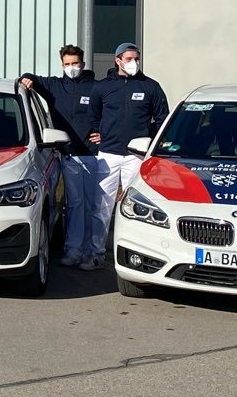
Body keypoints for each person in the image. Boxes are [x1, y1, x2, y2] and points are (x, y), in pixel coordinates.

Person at [19, 44, 103, 269]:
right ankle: (73, 249)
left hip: (93, 155)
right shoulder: (55, 86)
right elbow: (31, 78)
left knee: (93, 205)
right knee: (74, 204)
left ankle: (93, 251)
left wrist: (103, 134)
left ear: (82, 63)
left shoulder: (96, 87)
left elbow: (110, 113)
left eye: (75, 63)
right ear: (62, 64)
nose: (71, 67)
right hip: (68, 155)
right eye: (67, 64)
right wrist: (26, 78)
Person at [92, 42, 169, 271]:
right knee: (101, 205)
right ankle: (96, 252)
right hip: (108, 154)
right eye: (129, 59)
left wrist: (150, 142)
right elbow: (93, 115)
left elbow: (162, 117)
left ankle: (134, 253)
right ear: (118, 60)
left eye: (136, 58)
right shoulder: (103, 87)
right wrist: (98, 133)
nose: (134, 62)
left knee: (135, 206)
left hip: (136, 156)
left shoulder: (150, 86)